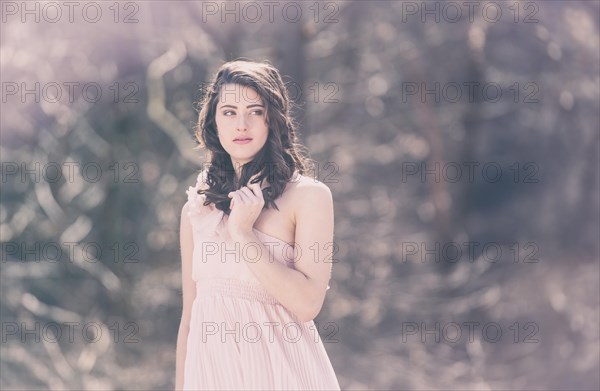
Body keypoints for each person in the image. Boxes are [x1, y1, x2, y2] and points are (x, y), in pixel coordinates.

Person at [175, 59, 340, 390]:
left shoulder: (309, 196)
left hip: (284, 377)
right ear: (213, 122)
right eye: (230, 112)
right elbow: (190, 317)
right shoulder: (196, 210)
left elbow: (308, 304)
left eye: (255, 111)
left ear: (272, 120)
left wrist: (243, 233)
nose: (242, 125)